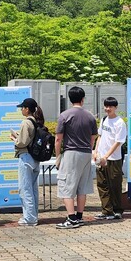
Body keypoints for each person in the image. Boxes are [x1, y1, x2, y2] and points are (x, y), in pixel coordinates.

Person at [54, 86, 98, 229]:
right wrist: (89, 149)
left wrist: (58, 156)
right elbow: (93, 137)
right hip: (86, 153)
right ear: (83, 99)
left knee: (67, 186)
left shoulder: (65, 115)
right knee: (82, 186)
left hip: (71, 153)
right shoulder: (90, 116)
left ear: (70, 99)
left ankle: (71, 218)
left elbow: (58, 139)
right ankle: (79, 216)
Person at [93, 97, 128, 220]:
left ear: (115, 107)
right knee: (102, 184)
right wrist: (96, 151)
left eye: (110, 106)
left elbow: (118, 142)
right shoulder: (104, 120)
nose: (108, 109)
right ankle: (106, 210)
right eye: (106, 106)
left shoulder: (120, 123)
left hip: (114, 159)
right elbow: (100, 136)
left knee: (115, 185)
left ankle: (117, 210)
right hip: (101, 158)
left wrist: (106, 156)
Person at [13, 97, 44, 226]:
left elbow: (22, 142)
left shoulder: (26, 122)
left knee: (25, 189)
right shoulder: (36, 122)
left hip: (26, 157)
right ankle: (33, 215)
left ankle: (30, 219)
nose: (21, 110)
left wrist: (15, 139)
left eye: (22, 108)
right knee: (32, 188)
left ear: (27, 109)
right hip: (35, 158)